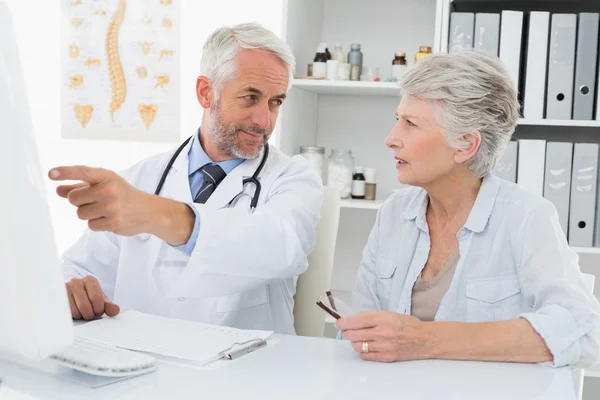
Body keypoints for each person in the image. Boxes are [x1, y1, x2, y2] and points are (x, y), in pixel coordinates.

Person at [50, 23, 323, 334]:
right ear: (206, 92)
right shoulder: (141, 178)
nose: (265, 120)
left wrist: (158, 215)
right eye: (250, 97)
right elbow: (78, 268)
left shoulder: (294, 180)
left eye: (276, 102)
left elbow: (280, 247)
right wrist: (71, 291)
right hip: (142, 365)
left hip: (244, 374)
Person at [336, 51, 600, 367]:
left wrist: (426, 340)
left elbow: (584, 335)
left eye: (411, 124)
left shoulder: (526, 218)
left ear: (466, 144)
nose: (391, 139)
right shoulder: (394, 213)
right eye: (398, 120)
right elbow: (362, 331)